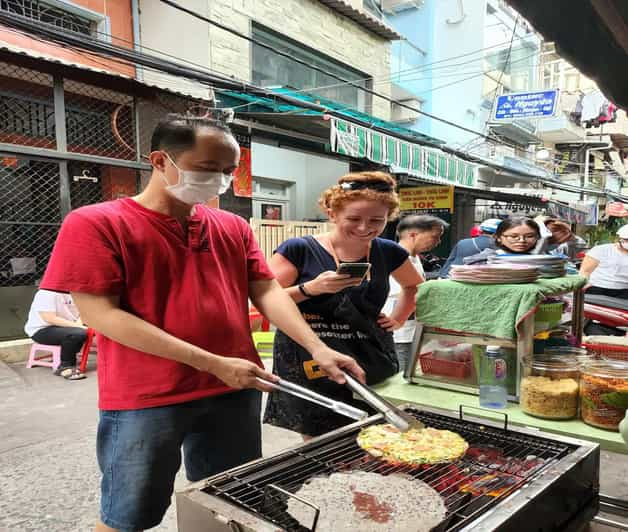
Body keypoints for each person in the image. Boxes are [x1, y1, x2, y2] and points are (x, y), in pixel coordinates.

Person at [39, 114, 364, 532]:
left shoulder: (230, 226)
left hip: (234, 386)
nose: (220, 182)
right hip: (147, 395)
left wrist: (316, 346)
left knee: (227, 500)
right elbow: (101, 314)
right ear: (160, 161)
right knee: (127, 514)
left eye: (228, 172)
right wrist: (212, 362)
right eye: (208, 170)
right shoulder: (96, 223)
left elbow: (265, 290)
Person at [264, 172, 423, 438]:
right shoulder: (298, 249)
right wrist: (310, 288)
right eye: (353, 219)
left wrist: (398, 318)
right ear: (332, 213)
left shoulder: (388, 251)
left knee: (376, 429)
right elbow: (265, 299)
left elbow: (413, 287)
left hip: (367, 350)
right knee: (320, 433)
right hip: (309, 353)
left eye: (376, 220)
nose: (364, 227)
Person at [383, 214, 449, 372]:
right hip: (399, 335)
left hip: (412, 330)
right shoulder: (395, 258)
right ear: (413, 234)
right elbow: (400, 295)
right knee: (401, 376)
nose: (438, 242)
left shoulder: (414, 258)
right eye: (435, 237)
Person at [24, 289, 87, 380]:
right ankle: (66, 366)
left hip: (69, 327)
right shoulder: (46, 293)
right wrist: (78, 326)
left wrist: (79, 324)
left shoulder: (78, 292)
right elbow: (49, 318)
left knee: (86, 330)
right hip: (42, 329)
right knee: (77, 333)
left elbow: (83, 312)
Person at [580, 224, 628, 299]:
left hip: (624, 291)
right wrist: (583, 284)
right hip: (597, 288)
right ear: (620, 239)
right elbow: (585, 271)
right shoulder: (602, 250)